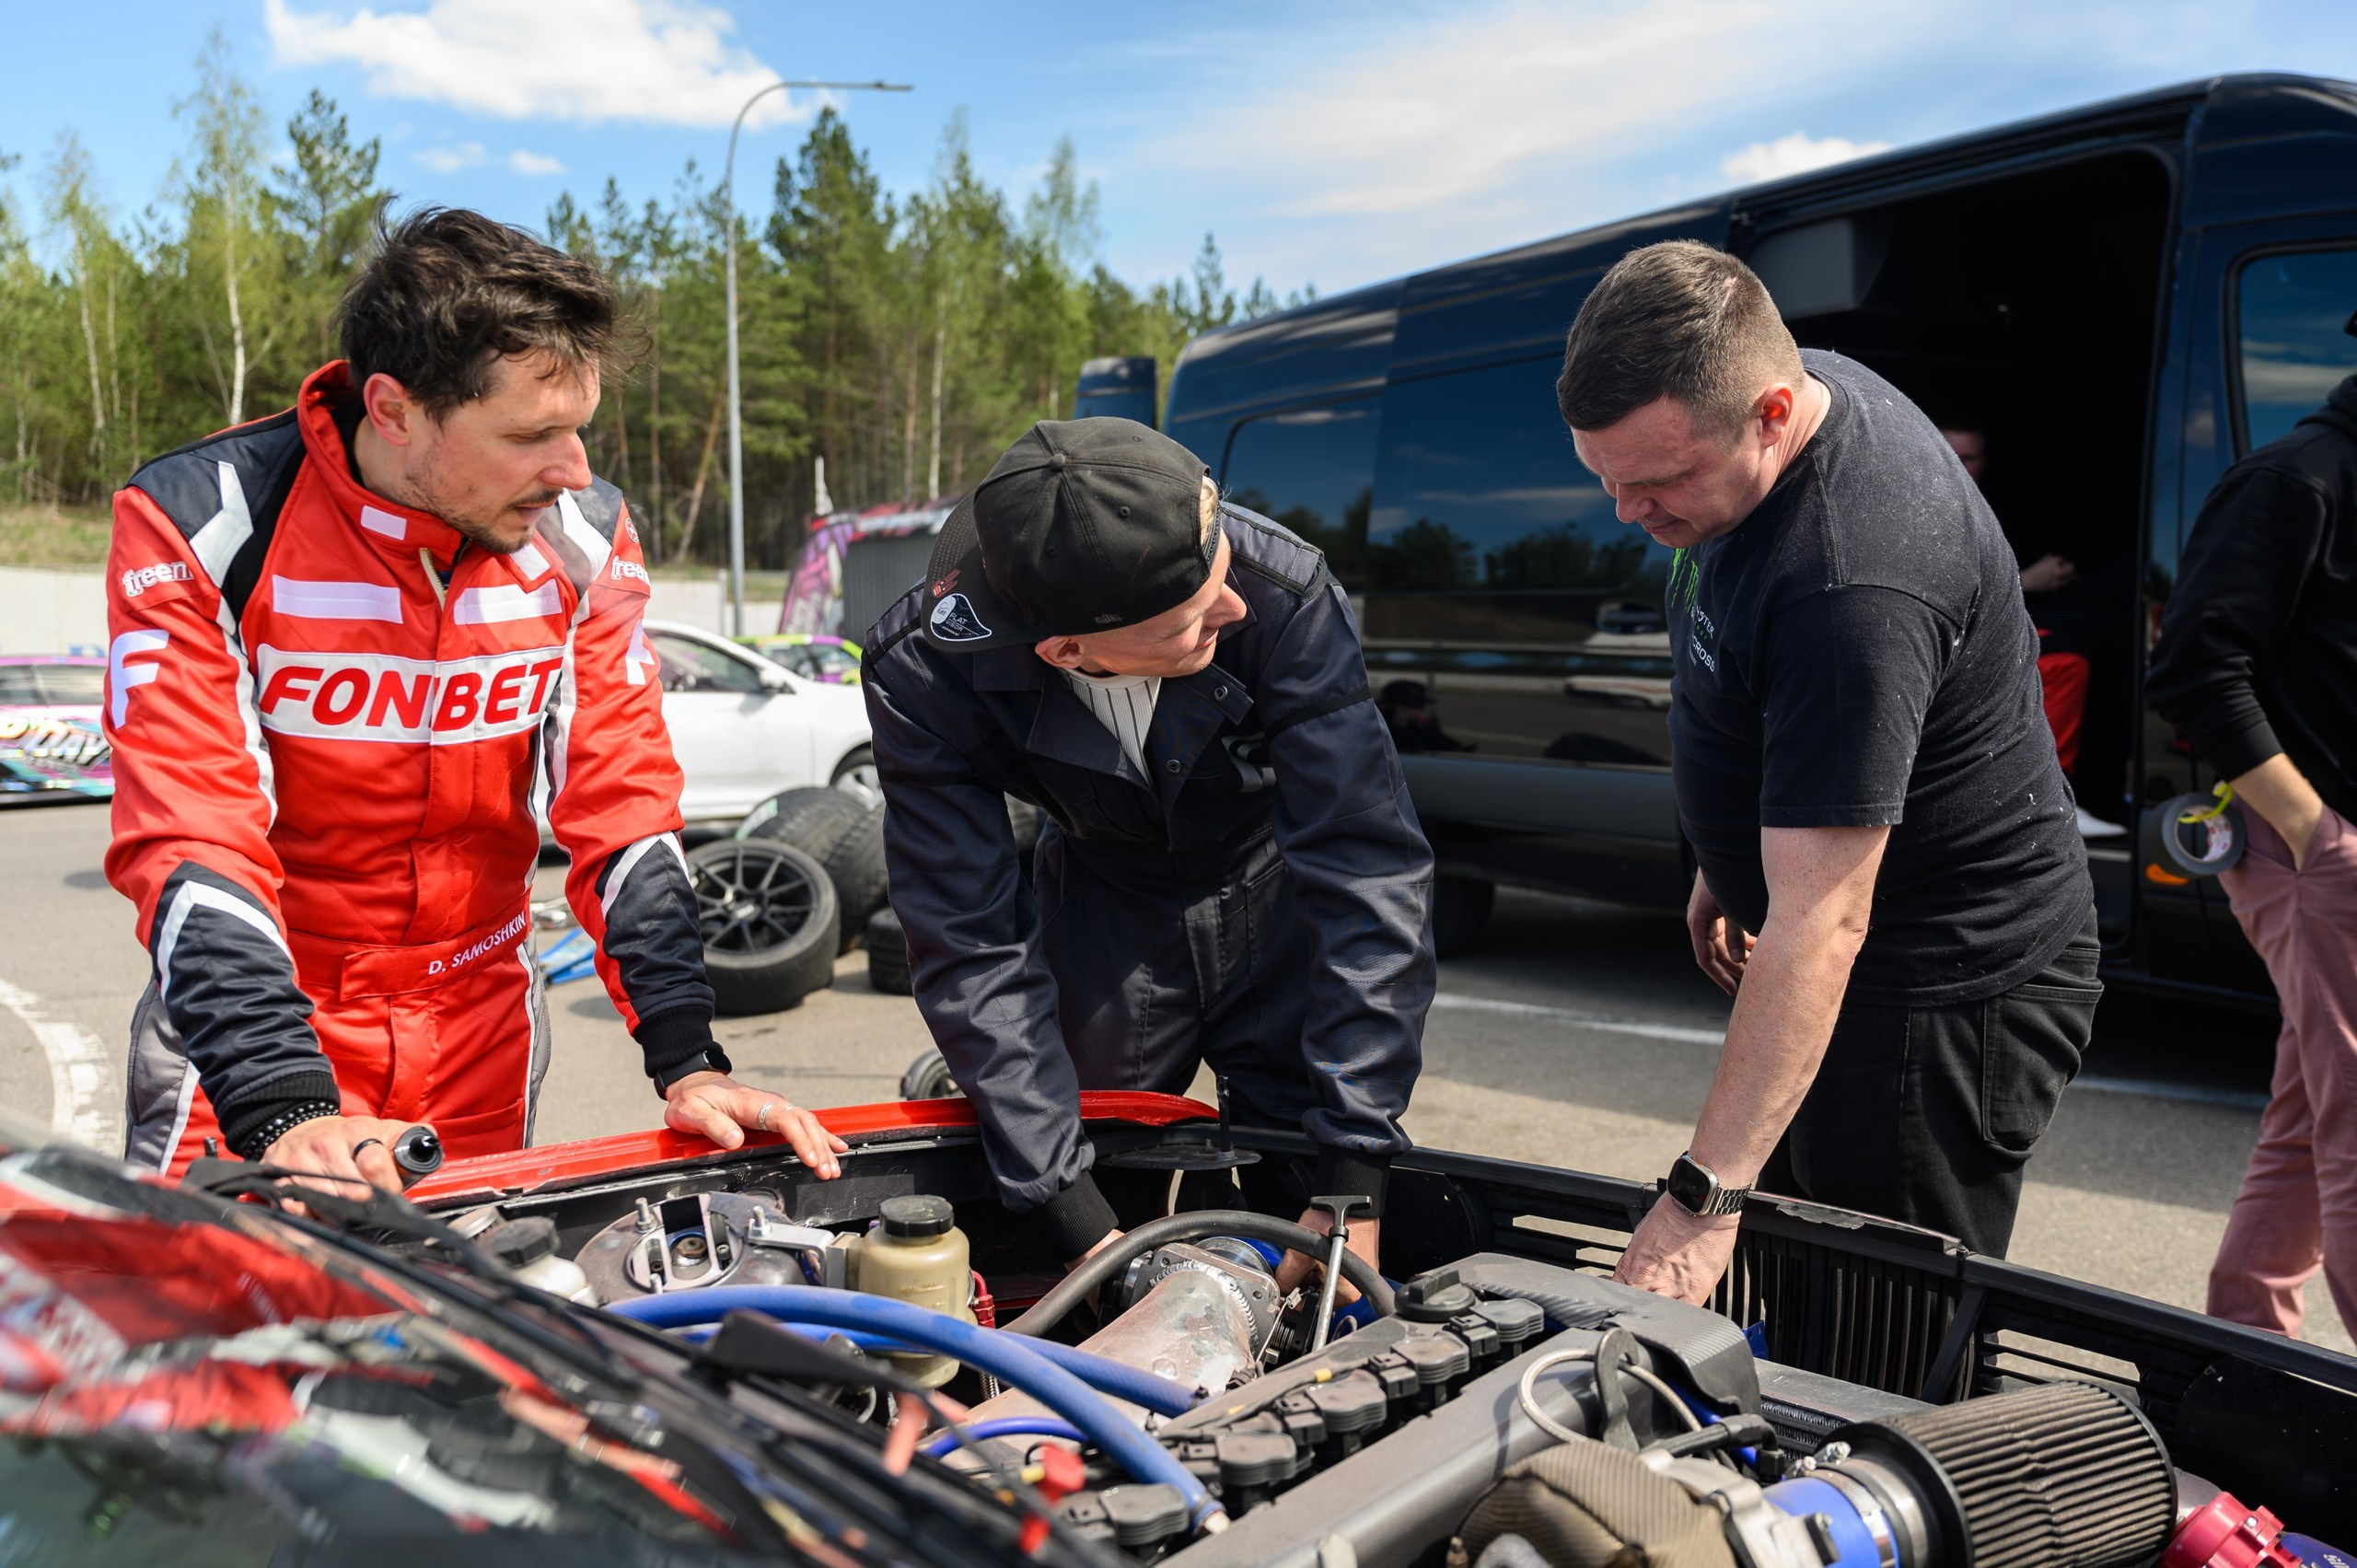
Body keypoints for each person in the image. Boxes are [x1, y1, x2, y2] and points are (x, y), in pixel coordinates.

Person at [104, 207, 843, 1193]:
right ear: (396, 408)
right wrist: (282, 1097)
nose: (574, 471)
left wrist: (689, 1058)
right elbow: (192, 833)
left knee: (458, 1325)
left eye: (580, 429)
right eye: (533, 434)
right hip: (255, 1031)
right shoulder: (199, 521)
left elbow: (621, 807)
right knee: (224, 1331)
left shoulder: (583, 534)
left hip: (480, 1024)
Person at [1555, 242, 2100, 1304]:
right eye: (1603, 477)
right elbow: (1754, 684)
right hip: (1845, 946)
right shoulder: (1786, 408)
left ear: (1769, 411)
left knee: (1873, 1339)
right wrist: (1728, 856)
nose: (1628, 512)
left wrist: (1699, 1202)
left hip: (1934, 987)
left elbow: (1826, 919)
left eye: (1657, 482)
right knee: (1801, 1275)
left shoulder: (1853, 580)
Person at [863, 418, 1434, 1292]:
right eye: (1195, 620)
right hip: (1103, 900)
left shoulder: (1278, 590)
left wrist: (1354, 1176)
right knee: (1077, 1193)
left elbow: (1368, 868)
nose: (1233, 608)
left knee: (1309, 1190)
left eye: (1223, 580)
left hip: (1275, 889)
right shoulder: (923, 672)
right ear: (1064, 650)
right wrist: (1075, 1222)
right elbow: (969, 942)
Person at [2147, 369, 2357, 1340]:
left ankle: (2247, 1350)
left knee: (2313, 1115)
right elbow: (2192, 662)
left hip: (2329, 847)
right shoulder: (2296, 478)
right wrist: (2318, 832)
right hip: (2318, 847)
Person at [1939, 426, 2123, 839]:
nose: (1958, 465)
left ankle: (2100, 793)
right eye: (1948, 452)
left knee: (2118, 624)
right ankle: (2048, 799)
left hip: (2012, 622)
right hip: (1948, 641)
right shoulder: (1916, 506)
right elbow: (1936, 599)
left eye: (1969, 458)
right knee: (2065, 661)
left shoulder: (1999, 507)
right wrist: (2028, 580)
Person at [1377, 679, 1473, 754]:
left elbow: (1435, 740)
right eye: (1409, 707)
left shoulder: (1413, 725)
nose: (1417, 712)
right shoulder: (1375, 730)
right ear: (1388, 706)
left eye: (1419, 707)